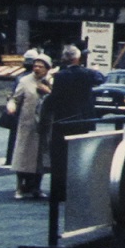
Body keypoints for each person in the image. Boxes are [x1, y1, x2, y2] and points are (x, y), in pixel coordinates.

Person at [41, 44, 105, 201]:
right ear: (78, 58)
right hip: (82, 120)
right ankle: (76, 190)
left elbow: (55, 98)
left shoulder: (61, 76)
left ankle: (59, 191)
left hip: (63, 119)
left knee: (60, 157)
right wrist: (95, 69)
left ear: (65, 58)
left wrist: (45, 111)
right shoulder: (87, 74)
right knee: (78, 156)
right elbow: (100, 79)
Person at [8, 53, 53, 199]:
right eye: (35, 66)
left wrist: (48, 91)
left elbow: (57, 100)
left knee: (40, 159)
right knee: (23, 157)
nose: (37, 68)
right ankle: (19, 188)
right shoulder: (25, 81)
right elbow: (15, 99)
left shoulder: (50, 82)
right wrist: (11, 107)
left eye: (41, 66)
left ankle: (36, 188)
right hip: (27, 125)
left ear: (47, 68)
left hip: (43, 126)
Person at [3, 49, 39, 165]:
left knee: (14, 136)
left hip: (18, 110)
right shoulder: (37, 78)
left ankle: (10, 158)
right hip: (30, 109)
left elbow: (14, 95)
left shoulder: (19, 77)